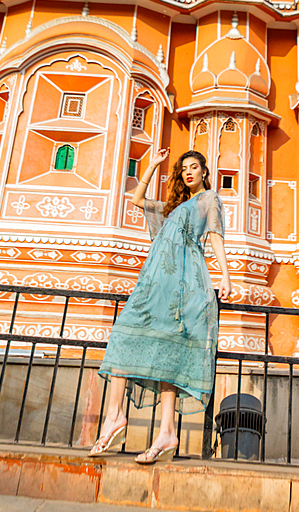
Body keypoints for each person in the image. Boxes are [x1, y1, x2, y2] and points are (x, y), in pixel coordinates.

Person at [90, 148, 231, 463]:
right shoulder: (176, 207)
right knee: (125, 335)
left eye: (194, 167)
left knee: (169, 352)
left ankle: (166, 432)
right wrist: (153, 164)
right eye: (183, 169)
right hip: (156, 281)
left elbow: (216, 236)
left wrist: (225, 276)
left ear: (205, 172)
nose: (188, 173)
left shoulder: (209, 200)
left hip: (186, 281)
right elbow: (138, 200)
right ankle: (115, 417)